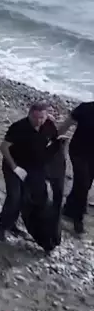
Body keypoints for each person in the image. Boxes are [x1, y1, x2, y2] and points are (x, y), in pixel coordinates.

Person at [0, 102, 62, 242]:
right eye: (35, 117)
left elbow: (53, 141)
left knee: (26, 197)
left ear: (46, 116)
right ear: (29, 114)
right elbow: (3, 147)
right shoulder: (19, 127)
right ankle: (2, 227)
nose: (38, 121)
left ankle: (12, 224)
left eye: (42, 118)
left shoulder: (49, 126)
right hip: (14, 165)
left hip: (33, 167)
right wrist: (14, 167)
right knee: (14, 196)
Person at [57, 100, 94, 235]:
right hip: (78, 151)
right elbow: (67, 124)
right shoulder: (85, 108)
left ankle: (68, 209)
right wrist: (54, 138)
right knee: (83, 184)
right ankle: (78, 220)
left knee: (85, 183)